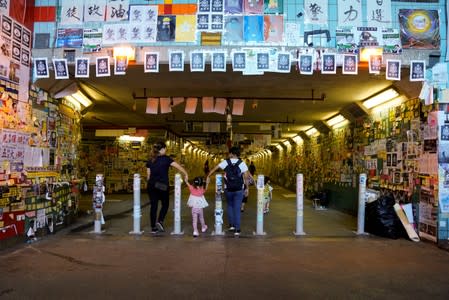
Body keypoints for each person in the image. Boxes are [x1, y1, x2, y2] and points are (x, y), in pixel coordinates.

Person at [146, 141, 188, 234]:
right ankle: (160, 220)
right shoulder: (166, 159)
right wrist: (185, 174)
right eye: (165, 149)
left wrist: (151, 183)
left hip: (151, 185)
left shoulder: (150, 159)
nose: (166, 150)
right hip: (162, 185)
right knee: (165, 204)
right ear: (162, 149)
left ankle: (153, 228)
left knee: (154, 206)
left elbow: (148, 175)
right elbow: (178, 167)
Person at [207, 146, 249, 236]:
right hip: (238, 189)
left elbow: (214, 169)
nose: (228, 154)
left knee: (229, 206)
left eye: (229, 153)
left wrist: (208, 176)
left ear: (232, 153)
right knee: (237, 208)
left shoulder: (225, 162)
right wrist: (247, 188)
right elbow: (246, 177)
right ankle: (237, 229)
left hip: (228, 189)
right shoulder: (242, 163)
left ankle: (231, 226)